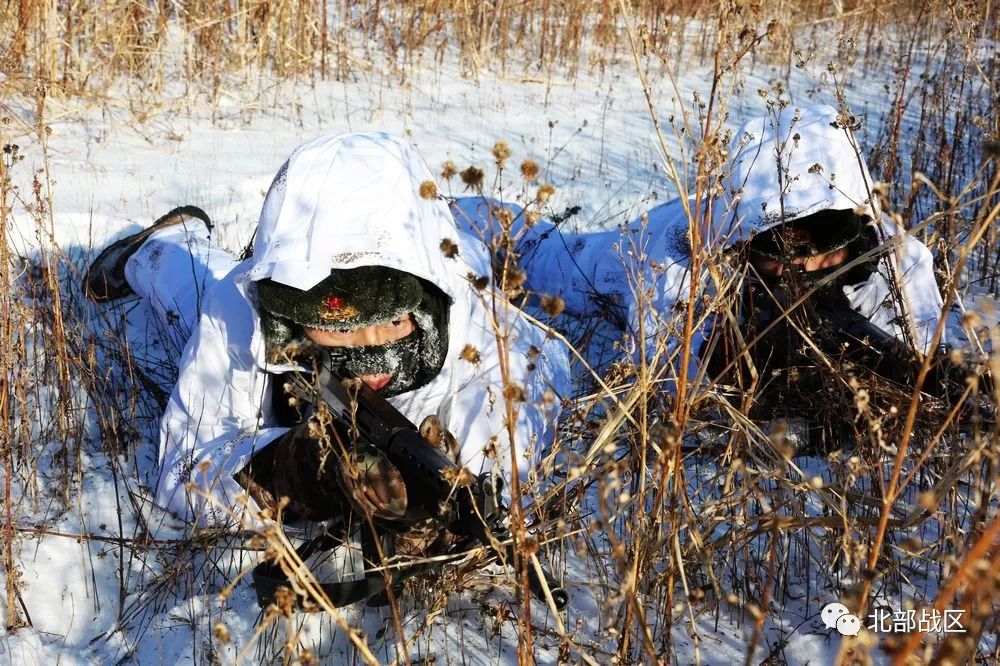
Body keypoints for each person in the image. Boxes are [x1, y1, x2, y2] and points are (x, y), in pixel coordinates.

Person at [85, 132, 569, 532]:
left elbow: (537, 372)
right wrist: (294, 472)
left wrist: (478, 471)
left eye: (393, 321)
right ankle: (167, 243)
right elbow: (185, 463)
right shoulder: (243, 309)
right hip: (228, 298)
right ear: (290, 315)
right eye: (337, 327)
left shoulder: (463, 301)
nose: (372, 353)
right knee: (192, 289)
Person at [452, 104, 960, 443]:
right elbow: (671, 395)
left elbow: (918, 360)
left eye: (824, 235)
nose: (801, 263)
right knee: (542, 255)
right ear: (746, 240)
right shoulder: (676, 258)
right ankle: (451, 208)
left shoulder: (899, 258)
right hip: (622, 256)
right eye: (780, 244)